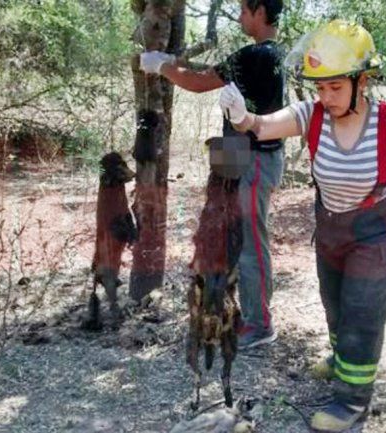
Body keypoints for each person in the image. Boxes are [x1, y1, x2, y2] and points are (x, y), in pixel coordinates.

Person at [218, 20, 386, 432]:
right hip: (332, 228)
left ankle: (353, 403)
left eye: (336, 87)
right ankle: (342, 359)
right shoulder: (313, 115)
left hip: (379, 232)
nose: (326, 96)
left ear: (364, 80)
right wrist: (241, 116)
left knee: (362, 313)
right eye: (320, 87)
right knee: (335, 303)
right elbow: (264, 125)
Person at [139, 0, 285, 350]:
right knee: (227, 233)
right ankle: (231, 309)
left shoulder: (255, 55)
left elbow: (200, 82)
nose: (239, 17)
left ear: (260, 11)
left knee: (251, 241)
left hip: (253, 157)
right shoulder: (269, 55)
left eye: (244, 11)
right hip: (239, 151)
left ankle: (260, 324)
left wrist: (162, 66)